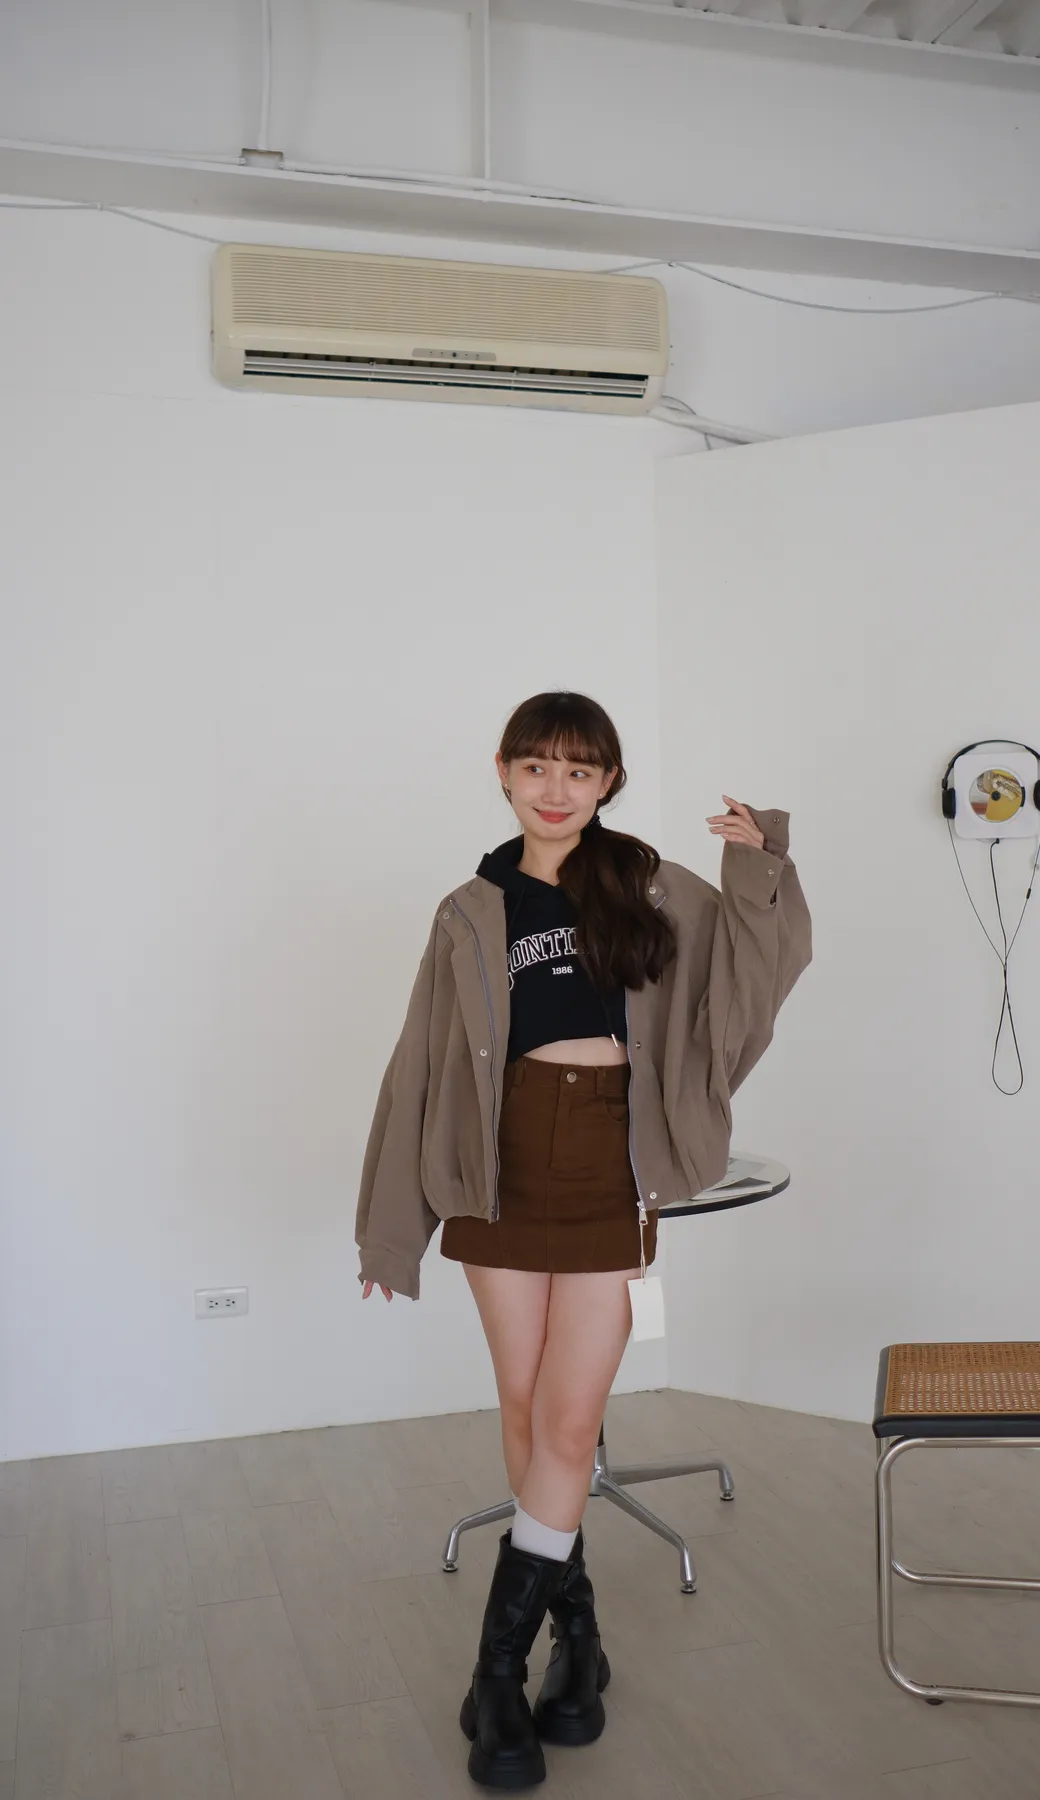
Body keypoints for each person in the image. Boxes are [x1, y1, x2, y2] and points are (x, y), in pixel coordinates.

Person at [355, 690, 811, 1790]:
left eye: (579, 769)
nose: (555, 789)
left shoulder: (648, 883)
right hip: (500, 1165)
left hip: (611, 1159)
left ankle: (495, 1675)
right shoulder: (470, 908)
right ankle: (581, 1642)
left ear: (608, 782)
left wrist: (763, 862)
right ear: (504, 773)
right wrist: (391, 1226)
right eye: (537, 767)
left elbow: (757, 976)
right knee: (526, 1411)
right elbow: (421, 1058)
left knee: (568, 1417)